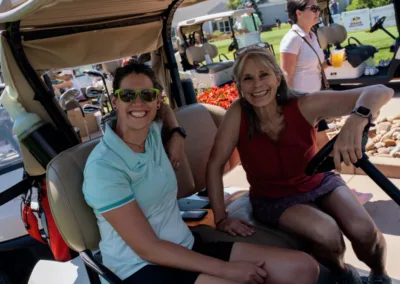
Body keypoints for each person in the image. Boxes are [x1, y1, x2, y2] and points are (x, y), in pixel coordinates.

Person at [83, 62, 320, 284]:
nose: (138, 103)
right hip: (140, 267)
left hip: (186, 245)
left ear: (156, 101)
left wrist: (176, 133)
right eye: (127, 96)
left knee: (304, 267)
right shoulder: (104, 168)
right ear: (115, 101)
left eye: (147, 95)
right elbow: (148, 248)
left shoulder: (152, 132)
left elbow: (165, 110)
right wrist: (226, 269)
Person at [206, 47, 394, 284]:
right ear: (239, 86)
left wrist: (358, 118)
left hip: (319, 181)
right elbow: (215, 164)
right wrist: (221, 218)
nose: (257, 84)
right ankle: (342, 274)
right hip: (273, 198)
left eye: (264, 75)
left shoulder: (305, 103)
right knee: (327, 233)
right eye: (247, 78)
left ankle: (379, 276)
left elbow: (380, 90)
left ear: (277, 76)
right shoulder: (238, 113)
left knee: (364, 230)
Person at [280, 0, 373, 204]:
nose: (318, 12)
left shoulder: (311, 36)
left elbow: (318, 65)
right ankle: (343, 195)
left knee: (318, 153)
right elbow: (286, 76)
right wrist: (291, 110)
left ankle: (331, 193)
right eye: (313, 8)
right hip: (303, 107)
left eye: (318, 8)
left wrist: (332, 61)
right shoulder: (291, 40)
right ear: (299, 13)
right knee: (322, 153)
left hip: (315, 104)